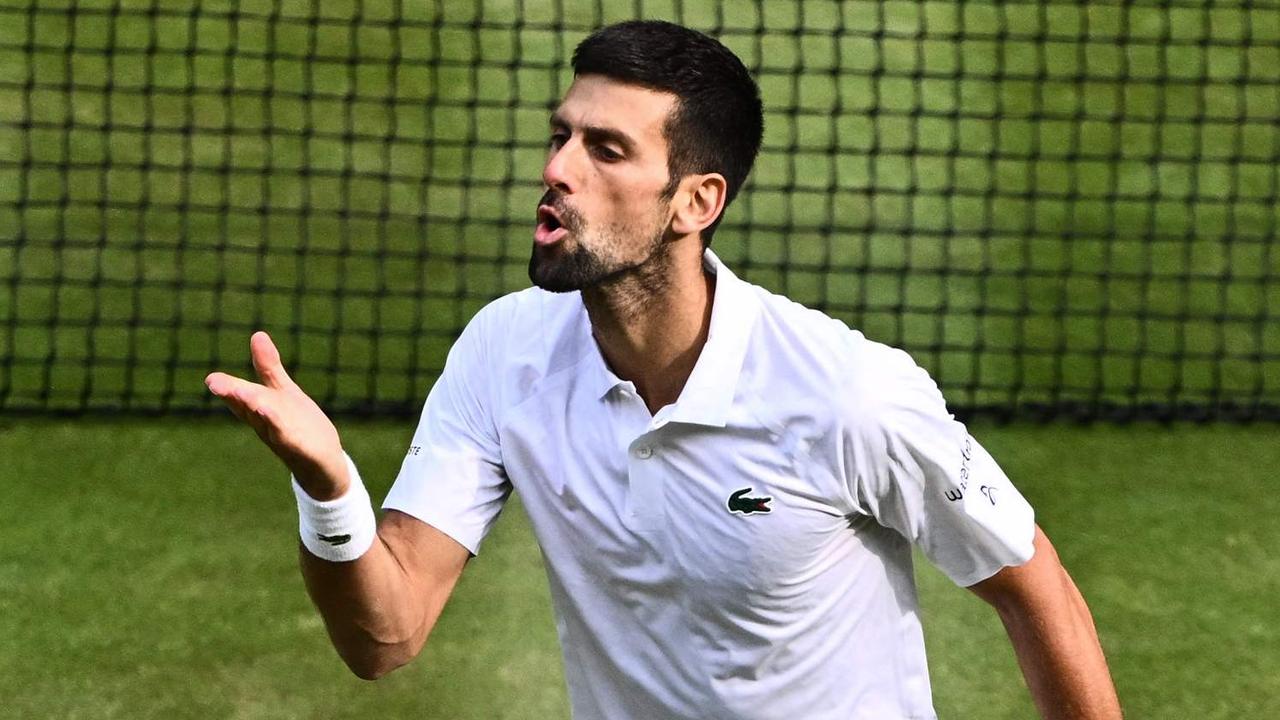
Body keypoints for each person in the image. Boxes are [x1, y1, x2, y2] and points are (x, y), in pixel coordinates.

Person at [206, 20, 1123, 720]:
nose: (557, 169)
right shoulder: (505, 350)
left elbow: (1035, 588)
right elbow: (386, 634)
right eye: (562, 135)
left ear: (695, 202)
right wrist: (330, 489)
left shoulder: (848, 394)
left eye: (606, 150)